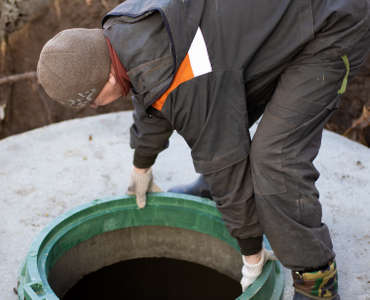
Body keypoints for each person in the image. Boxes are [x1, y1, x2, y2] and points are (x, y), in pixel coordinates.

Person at [37, 0, 369, 298]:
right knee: (222, 106)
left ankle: (317, 284)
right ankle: (214, 191)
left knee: (275, 159)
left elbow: (224, 158)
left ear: (108, 77)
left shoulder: (183, 77)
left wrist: (251, 253)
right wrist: (142, 164)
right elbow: (149, 92)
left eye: (94, 101)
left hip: (330, 23)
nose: (97, 106)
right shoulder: (125, 29)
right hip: (272, 21)